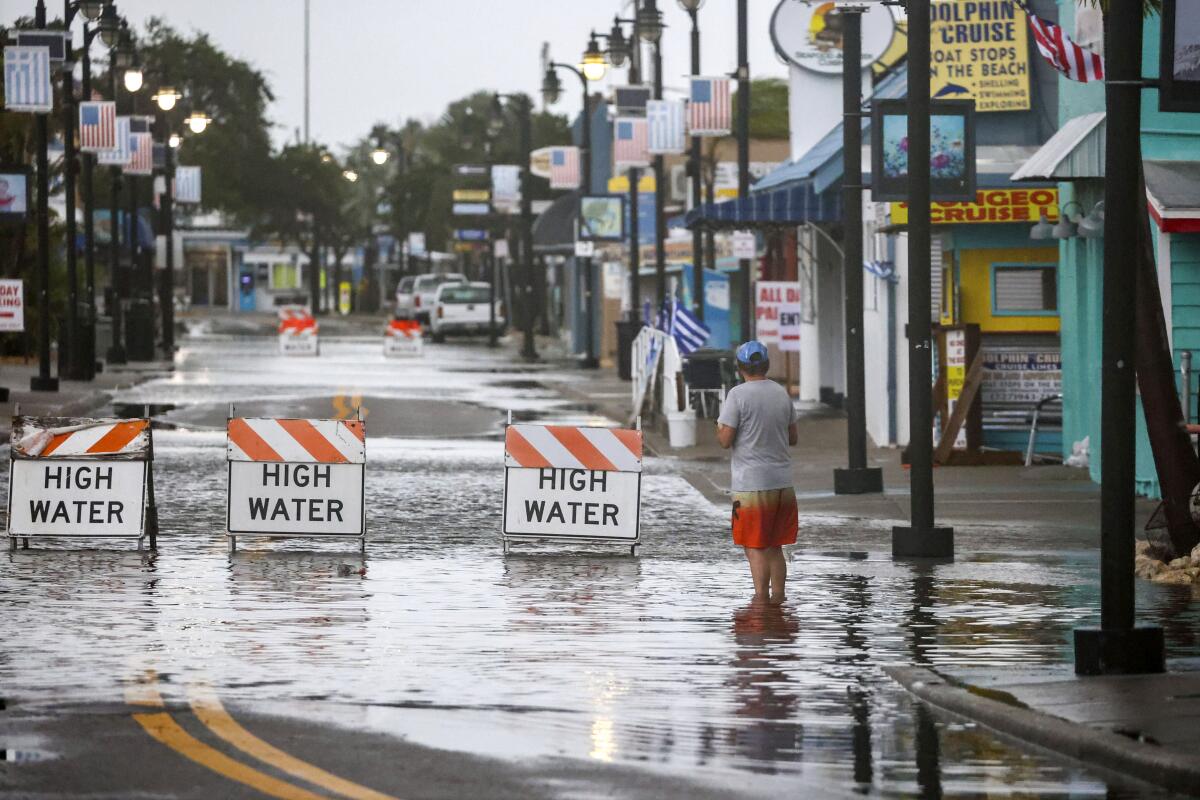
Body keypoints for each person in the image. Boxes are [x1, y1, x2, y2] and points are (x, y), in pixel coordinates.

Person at [717, 341, 799, 605]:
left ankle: (760, 603)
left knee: (754, 546)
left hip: (751, 484)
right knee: (776, 546)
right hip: (782, 483)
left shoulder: (737, 395)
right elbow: (793, 437)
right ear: (766, 365)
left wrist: (719, 427)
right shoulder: (781, 393)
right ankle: (779, 599)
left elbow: (725, 439)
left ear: (740, 367)